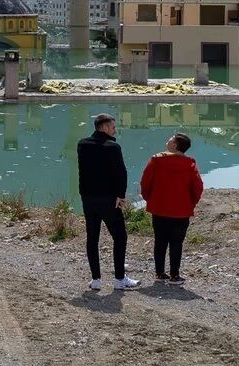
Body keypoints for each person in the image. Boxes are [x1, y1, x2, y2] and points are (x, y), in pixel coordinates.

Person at [77, 113, 140, 291]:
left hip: (88, 198)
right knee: (120, 237)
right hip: (108, 199)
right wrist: (121, 195)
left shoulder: (82, 144)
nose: (115, 130)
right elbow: (121, 172)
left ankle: (96, 280)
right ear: (104, 127)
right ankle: (119, 279)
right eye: (113, 127)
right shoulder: (113, 147)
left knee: (92, 238)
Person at [139, 132, 204, 284]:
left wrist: (150, 199)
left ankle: (160, 273)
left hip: (159, 208)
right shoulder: (189, 163)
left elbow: (145, 182)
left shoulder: (156, 160)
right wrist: (191, 203)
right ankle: (175, 275)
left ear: (174, 145)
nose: (167, 140)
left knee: (160, 241)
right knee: (177, 242)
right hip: (182, 211)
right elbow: (198, 187)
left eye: (170, 139)